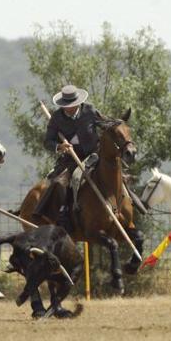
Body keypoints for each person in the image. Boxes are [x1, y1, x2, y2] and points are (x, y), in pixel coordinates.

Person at [33, 85, 101, 232]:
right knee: (59, 182)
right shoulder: (57, 118)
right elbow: (48, 142)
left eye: (72, 105)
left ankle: (132, 201)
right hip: (70, 160)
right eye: (66, 106)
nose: (69, 108)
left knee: (115, 173)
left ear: (78, 103)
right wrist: (60, 146)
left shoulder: (90, 111)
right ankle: (63, 213)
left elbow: (103, 123)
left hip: (94, 156)